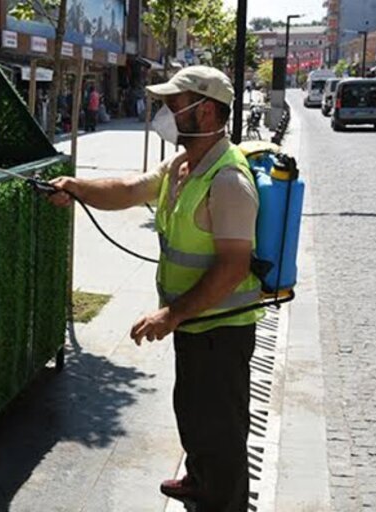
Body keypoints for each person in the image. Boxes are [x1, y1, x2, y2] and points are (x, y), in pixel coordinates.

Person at [47, 66, 262, 512]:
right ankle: (199, 482)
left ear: (204, 112)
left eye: (173, 103)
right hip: (195, 324)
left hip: (222, 329)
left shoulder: (228, 180)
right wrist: (75, 186)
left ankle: (221, 500)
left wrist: (172, 314)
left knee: (220, 431)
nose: (165, 112)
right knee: (193, 413)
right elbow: (128, 189)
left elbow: (232, 266)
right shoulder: (183, 164)